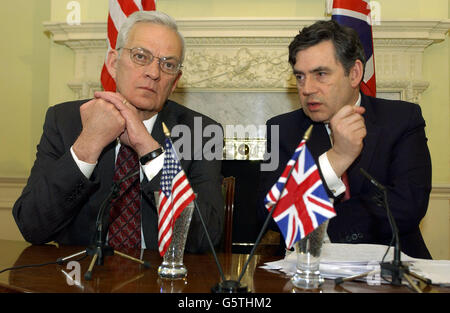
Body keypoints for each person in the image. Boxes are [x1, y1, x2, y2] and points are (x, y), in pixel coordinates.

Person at [13, 11, 224, 254]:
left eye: (167, 65)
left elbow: (207, 239)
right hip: (81, 276)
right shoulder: (65, 120)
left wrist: (149, 150)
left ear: (175, 82)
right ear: (113, 63)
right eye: (140, 56)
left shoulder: (201, 132)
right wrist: (88, 143)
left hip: (161, 279)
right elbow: (32, 226)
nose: (153, 73)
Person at [258, 20, 432, 259]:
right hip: (308, 272)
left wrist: (325, 231)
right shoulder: (281, 129)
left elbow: (407, 206)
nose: (307, 88)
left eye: (320, 74)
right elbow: (273, 217)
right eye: (300, 77)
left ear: (354, 73)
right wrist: (336, 159)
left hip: (393, 267)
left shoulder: (402, 120)